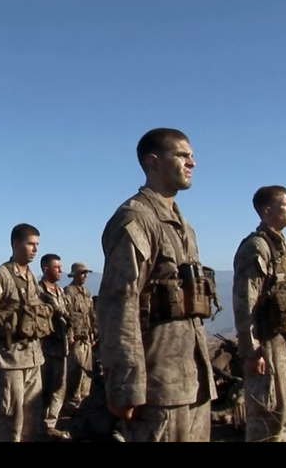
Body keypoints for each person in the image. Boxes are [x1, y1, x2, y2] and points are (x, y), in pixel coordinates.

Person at [96, 127, 217, 442]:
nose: (192, 163)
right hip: (157, 387)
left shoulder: (184, 227)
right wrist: (125, 385)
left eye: (191, 156)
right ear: (153, 162)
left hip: (192, 380)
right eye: (182, 155)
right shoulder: (135, 220)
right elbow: (119, 305)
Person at [232, 185, 286, 441]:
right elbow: (245, 302)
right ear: (267, 210)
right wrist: (252, 350)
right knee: (266, 414)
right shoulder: (256, 248)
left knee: (285, 414)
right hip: (267, 344)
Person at [0, 223, 55, 441]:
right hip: (9, 360)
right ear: (15, 244)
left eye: (37, 245)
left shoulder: (31, 279)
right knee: (11, 421)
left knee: (31, 420)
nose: (35, 249)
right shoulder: (0, 277)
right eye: (30, 244)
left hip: (33, 358)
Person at [38, 253, 72, 439]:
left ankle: (50, 424)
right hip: (44, 349)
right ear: (45, 269)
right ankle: (38, 425)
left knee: (59, 388)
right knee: (43, 389)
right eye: (57, 267)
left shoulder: (60, 291)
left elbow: (67, 316)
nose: (60, 270)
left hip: (61, 347)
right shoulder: (38, 291)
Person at [64, 262, 97, 409]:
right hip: (76, 338)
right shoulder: (69, 292)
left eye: (86, 274)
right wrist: (69, 336)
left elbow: (91, 314)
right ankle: (72, 401)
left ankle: (84, 400)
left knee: (86, 371)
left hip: (87, 338)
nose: (84, 276)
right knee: (75, 370)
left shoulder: (87, 293)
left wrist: (94, 333)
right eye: (82, 273)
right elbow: (67, 316)